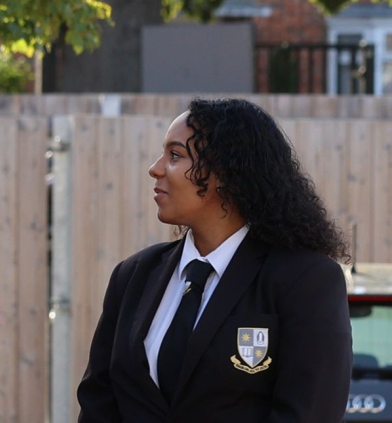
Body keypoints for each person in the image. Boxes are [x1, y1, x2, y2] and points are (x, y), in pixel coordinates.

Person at [77, 98, 352, 422]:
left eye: (175, 155)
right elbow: (98, 403)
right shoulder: (133, 275)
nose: (156, 168)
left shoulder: (304, 280)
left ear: (227, 172)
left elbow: (308, 413)